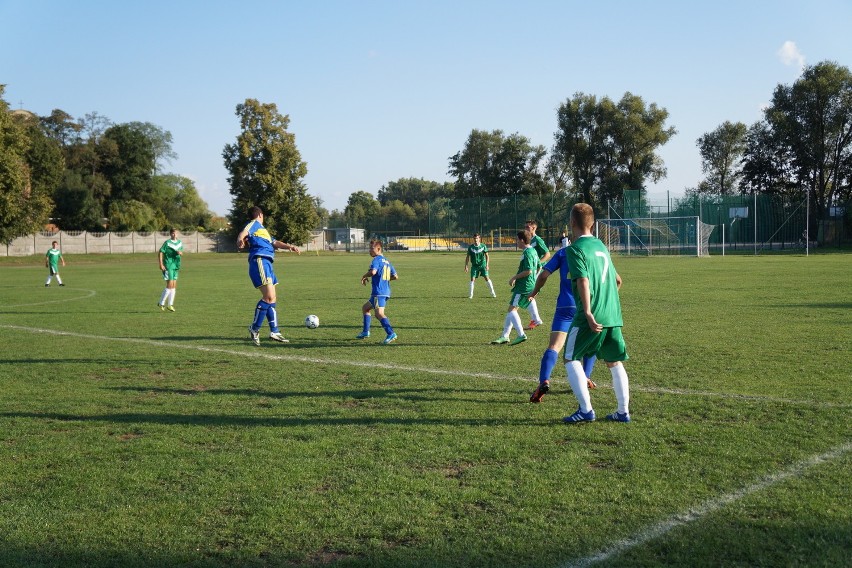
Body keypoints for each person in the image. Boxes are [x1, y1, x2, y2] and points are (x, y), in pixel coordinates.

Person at [562, 203, 632, 424]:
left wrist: (589, 312)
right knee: (614, 362)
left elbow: (582, 280)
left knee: (570, 358)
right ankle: (622, 412)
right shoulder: (602, 246)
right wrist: (606, 302)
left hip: (591, 315)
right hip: (613, 313)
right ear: (593, 224)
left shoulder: (574, 249)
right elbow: (618, 280)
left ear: (572, 222)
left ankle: (586, 410)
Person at [527, 243, 597, 403]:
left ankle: (544, 381)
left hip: (565, 306)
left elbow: (544, 275)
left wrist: (534, 292)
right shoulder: (594, 250)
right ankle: (585, 377)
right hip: (587, 304)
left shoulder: (563, 252)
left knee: (554, 347)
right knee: (589, 345)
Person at [236, 206, 301, 346]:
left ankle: (274, 332)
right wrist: (240, 240)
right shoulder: (254, 224)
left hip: (267, 263)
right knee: (268, 297)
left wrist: (290, 246)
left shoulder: (263, 231)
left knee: (272, 299)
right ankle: (254, 329)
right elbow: (243, 233)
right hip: (260, 260)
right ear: (260, 214)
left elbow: (275, 242)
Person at [490, 230, 539, 346]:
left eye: (517, 240)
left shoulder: (527, 253)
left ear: (522, 240)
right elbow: (538, 267)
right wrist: (534, 281)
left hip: (523, 286)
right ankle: (505, 336)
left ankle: (521, 335)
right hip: (530, 284)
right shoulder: (533, 251)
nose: (516, 242)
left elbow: (528, 271)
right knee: (513, 310)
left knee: (511, 310)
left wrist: (514, 277)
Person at [357, 239, 399, 344]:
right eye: (369, 249)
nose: (370, 251)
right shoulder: (387, 261)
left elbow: (373, 271)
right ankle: (365, 332)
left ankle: (390, 333)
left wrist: (364, 276)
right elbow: (395, 276)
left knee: (379, 314)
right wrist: (384, 279)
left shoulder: (376, 259)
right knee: (365, 308)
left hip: (378, 292)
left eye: (372, 249)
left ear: (379, 249)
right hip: (385, 291)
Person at [523, 220, 549, 329]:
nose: (525, 229)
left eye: (527, 227)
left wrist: (539, 264)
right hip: (532, 270)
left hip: (537, 271)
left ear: (534, 228)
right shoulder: (529, 240)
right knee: (529, 293)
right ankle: (535, 319)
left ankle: (536, 319)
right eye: (525, 227)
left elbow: (547, 254)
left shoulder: (538, 240)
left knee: (529, 293)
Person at [157, 228, 183, 312]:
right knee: (170, 285)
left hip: (176, 265)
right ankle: (161, 302)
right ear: (170, 234)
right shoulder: (167, 243)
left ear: (178, 234)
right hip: (168, 265)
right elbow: (161, 252)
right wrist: (161, 264)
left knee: (174, 285)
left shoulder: (180, 243)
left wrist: (180, 253)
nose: (174, 235)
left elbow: (181, 252)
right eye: (172, 233)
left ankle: (170, 305)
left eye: (175, 233)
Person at [464, 233, 496, 299]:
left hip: (482, 265)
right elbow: (467, 257)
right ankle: (471, 295)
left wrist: (487, 265)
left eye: (477, 238)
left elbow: (487, 256)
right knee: (472, 279)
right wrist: (466, 266)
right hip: (474, 266)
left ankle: (493, 293)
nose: (475, 239)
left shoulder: (483, 246)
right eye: (474, 238)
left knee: (487, 278)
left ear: (479, 239)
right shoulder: (471, 247)